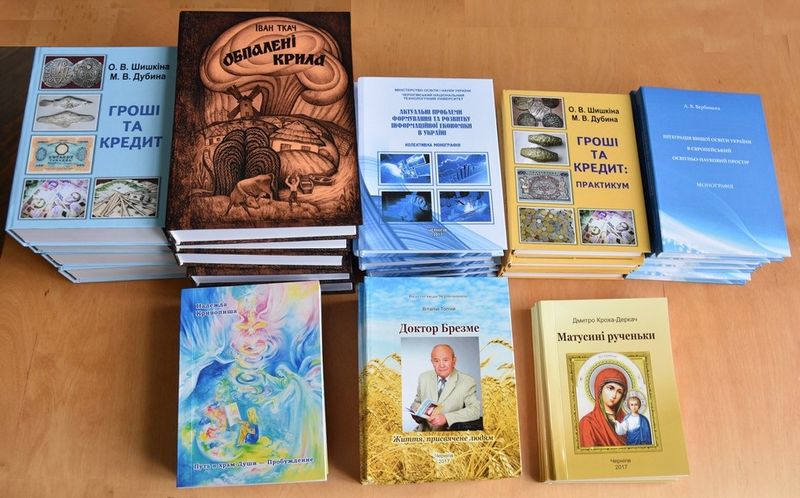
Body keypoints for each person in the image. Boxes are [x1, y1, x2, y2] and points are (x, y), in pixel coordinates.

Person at [410, 344, 481, 431]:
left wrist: (446, 418)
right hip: (422, 433)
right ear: (432, 362)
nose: (441, 365)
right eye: (436, 361)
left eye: (445, 360)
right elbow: (417, 402)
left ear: (454, 360)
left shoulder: (467, 381)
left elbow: (475, 410)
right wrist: (416, 412)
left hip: (449, 435)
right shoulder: (423, 377)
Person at [578, 366, 628, 447]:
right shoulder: (588, 422)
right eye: (610, 388)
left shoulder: (627, 420)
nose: (614, 395)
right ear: (599, 389)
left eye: (619, 392)